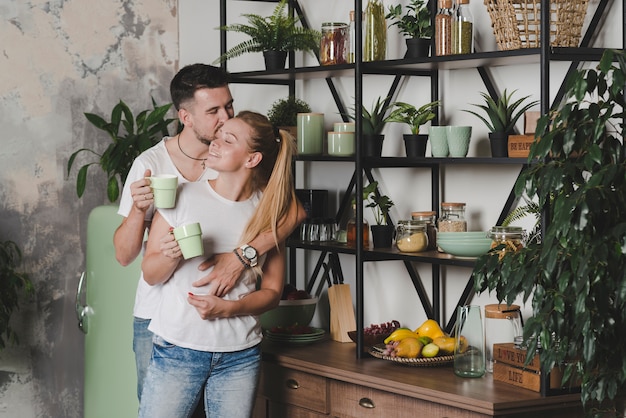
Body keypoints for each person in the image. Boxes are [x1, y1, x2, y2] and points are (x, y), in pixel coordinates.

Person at [113, 64, 305, 401]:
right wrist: (138, 211)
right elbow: (125, 256)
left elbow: (292, 212)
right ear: (185, 116)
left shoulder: (238, 161)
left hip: (230, 337)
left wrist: (242, 256)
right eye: (214, 110)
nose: (225, 116)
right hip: (160, 318)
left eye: (228, 105)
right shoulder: (153, 164)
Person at [138, 111, 295, 417]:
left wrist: (230, 309)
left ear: (252, 159)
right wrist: (171, 255)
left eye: (228, 139)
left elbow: (273, 292)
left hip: (240, 356)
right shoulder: (181, 196)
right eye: (218, 134)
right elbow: (150, 274)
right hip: (178, 349)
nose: (215, 142)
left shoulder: (267, 212)